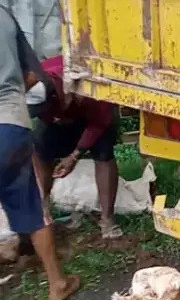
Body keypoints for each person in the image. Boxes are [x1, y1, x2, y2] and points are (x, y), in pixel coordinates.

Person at [0, 8, 79, 300]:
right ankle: (57, 283)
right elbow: (34, 75)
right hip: (10, 124)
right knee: (32, 206)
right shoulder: (4, 16)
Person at [29, 56, 123, 239]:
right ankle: (43, 208)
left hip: (95, 116)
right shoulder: (34, 81)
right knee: (40, 146)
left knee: (103, 152)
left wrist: (74, 155)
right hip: (62, 116)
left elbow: (99, 123)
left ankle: (107, 219)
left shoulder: (86, 84)